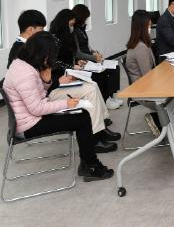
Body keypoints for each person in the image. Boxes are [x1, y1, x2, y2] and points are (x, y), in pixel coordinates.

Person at [3, 31, 114, 181]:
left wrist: (47, 80)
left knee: (81, 114)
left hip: (28, 118)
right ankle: (91, 166)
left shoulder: (22, 63)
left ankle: (88, 164)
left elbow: (39, 93)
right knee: (82, 119)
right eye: (49, 55)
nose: (50, 59)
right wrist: (66, 103)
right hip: (29, 124)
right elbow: (37, 108)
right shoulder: (26, 74)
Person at [12, 10, 121, 153]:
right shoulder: (20, 51)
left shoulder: (30, 46)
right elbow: (36, 84)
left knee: (92, 86)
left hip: (47, 89)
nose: (43, 32)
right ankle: (94, 138)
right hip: (43, 97)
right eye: (41, 29)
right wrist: (58, 82)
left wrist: (57, 78)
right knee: (90, 89)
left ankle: (100, 129)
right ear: (31, 29)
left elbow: (43, 75)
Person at [72, 4, 121, 109]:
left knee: (115, 67)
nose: (86, 20)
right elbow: (78, 53)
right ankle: (105, 99)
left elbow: (87, 47)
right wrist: (94, 58)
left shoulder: (81, 29)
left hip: (90, 59)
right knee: (103, 73)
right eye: (85, 18)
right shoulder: (74, 32)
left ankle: (111, 96)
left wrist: (94, 52)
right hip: (84, 61)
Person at [125, 10, 161, 137]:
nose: (151, 28)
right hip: (142, 90)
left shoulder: (142, 43)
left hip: (144, 85)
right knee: (172, 98)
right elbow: (148, 76)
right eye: (149, 25)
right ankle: (157, 120)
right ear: (142, 27)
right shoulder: (140, 47)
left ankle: (159, 119)